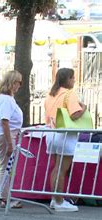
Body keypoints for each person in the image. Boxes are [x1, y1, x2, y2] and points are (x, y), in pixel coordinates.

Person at [44, 68, 85, 212]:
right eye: (73, 78)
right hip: (65, 134)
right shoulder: (69, 94)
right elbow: (75, 114)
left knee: (56, 167)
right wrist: (83, 108)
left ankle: (55, 199)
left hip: (51, 132)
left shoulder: (51, 95)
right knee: (62, 168)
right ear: (68, 79)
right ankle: (60, 201)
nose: (74, 80)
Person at [0, 70, 23, 209]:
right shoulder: (7, 100)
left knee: (5, 165)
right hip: (4, 135)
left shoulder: (3, 98)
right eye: (18, 82)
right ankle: (3, 198)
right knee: (5, 166)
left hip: (1, 134)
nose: (19, 85)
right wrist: (10, 143)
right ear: (13, 83)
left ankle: (4, 196)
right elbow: (5, 122)